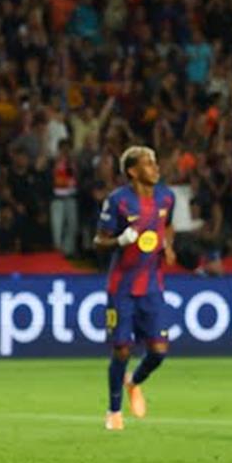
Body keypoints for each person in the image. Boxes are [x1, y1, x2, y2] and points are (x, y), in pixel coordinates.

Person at [93, 145, 176, 431]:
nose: (156, 167)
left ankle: (134, 381)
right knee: (121, 350)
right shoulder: (118, 201)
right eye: (148, 163)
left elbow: (168, 225)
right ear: (132, 171)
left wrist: (168, 246)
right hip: (122, 287)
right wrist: (119, 240)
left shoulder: (167, 197)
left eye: (155, 162)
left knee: (159, 351)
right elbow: (98, 241)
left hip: (152, 285)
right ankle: (114, 412)